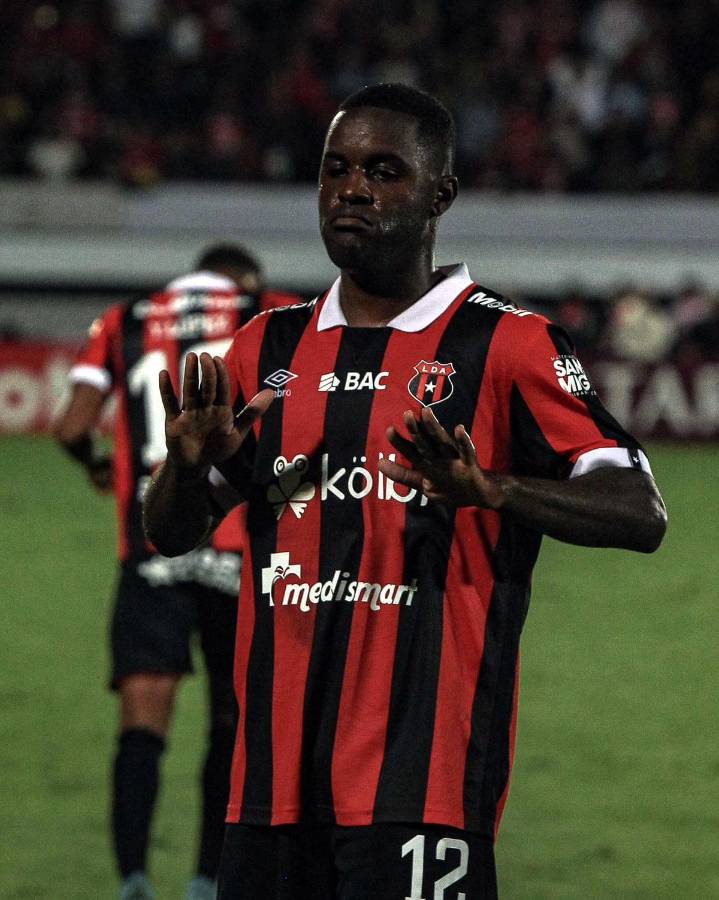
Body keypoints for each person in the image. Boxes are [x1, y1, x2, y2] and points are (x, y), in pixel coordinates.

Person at [143, 85, 667, 899]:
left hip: (422, 791)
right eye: (336, 170)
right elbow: (172, 531)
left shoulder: (505, 344)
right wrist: (181, 467)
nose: (351, 190)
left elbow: (639, 509)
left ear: (439, 195)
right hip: (267, 795)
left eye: (383, 171)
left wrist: (489, 489)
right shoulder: (265, 348)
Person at [55, 243, 300, 900]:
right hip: (238, 547)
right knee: (231, 718)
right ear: (245, 279)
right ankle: (205, 880)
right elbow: (301, 412)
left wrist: (97, 466)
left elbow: (72, 427)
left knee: (143, 719)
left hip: (152, 543)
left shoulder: (125, 318)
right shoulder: (269, 313)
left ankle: (134, 878)